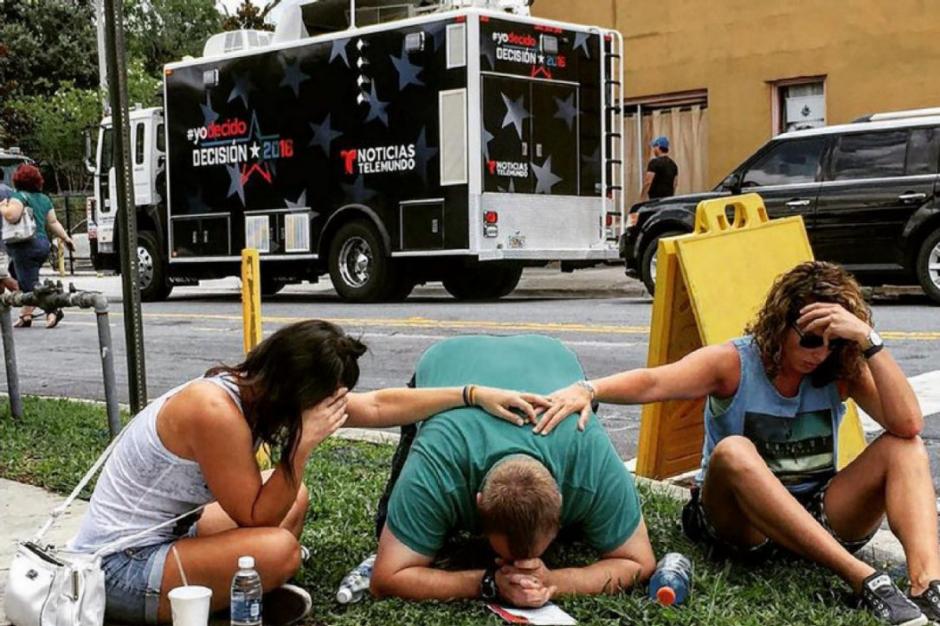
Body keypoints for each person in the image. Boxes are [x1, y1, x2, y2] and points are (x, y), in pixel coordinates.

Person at [68, 320, 548, 625]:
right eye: (324, 400)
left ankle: (231, 592)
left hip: (167, 536)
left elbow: (378, 406)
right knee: (277, 547)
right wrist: (300, 449)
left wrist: (471, 394)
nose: (330, 408)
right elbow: (256, 516)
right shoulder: (214, 411)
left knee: (293, 501)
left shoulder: (252, 389)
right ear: (295, 389)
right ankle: (223, 601)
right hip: (119, 570)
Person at [540, 261, 936, 626]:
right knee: (733, 449)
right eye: (811, 340)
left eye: (835, 342)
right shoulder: (736, 363)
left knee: (905, 447)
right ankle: (863, 578)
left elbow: (908, 424)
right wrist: (588, 388)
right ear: (781, 324)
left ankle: (927, 585)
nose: (821, 353)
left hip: (818, 510)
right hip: (744, 524)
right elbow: (655, 382)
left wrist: (868, 340)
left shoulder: (840, 367)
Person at [370, 335, 655, 607]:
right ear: (478, 502)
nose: (520, 567)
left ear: (561, 501)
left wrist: (554, 581)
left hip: (550, 360)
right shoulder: (436, 461)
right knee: (387, 526)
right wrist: (488, 582)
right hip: (448, 363)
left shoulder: (590, 452)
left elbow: (639, 562)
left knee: (585, 531)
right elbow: (386, 578)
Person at [0, 164, 74, 327]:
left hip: (25, 246)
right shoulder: (44, 199)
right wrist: (66, 238)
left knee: (29, 286)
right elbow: (53, 222)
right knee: (18, 274)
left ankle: (53, 306)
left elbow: (12, 216)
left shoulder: (19, 197)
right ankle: (26, 315)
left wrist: (3, 207)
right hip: (42, 244)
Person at [0, 169, 19, 294]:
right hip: (11, 239)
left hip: (1, 242)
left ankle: (25, 295)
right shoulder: (12, 192)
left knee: (2, 275)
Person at [642, 136, 678, 200]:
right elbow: (674, 184)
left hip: (655, 201)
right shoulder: (673, 165)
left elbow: (648, 182)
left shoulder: (654, 163)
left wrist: (642, 199)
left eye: (654, 147)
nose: (653, 149)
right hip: (668, 201)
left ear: (658, 147)